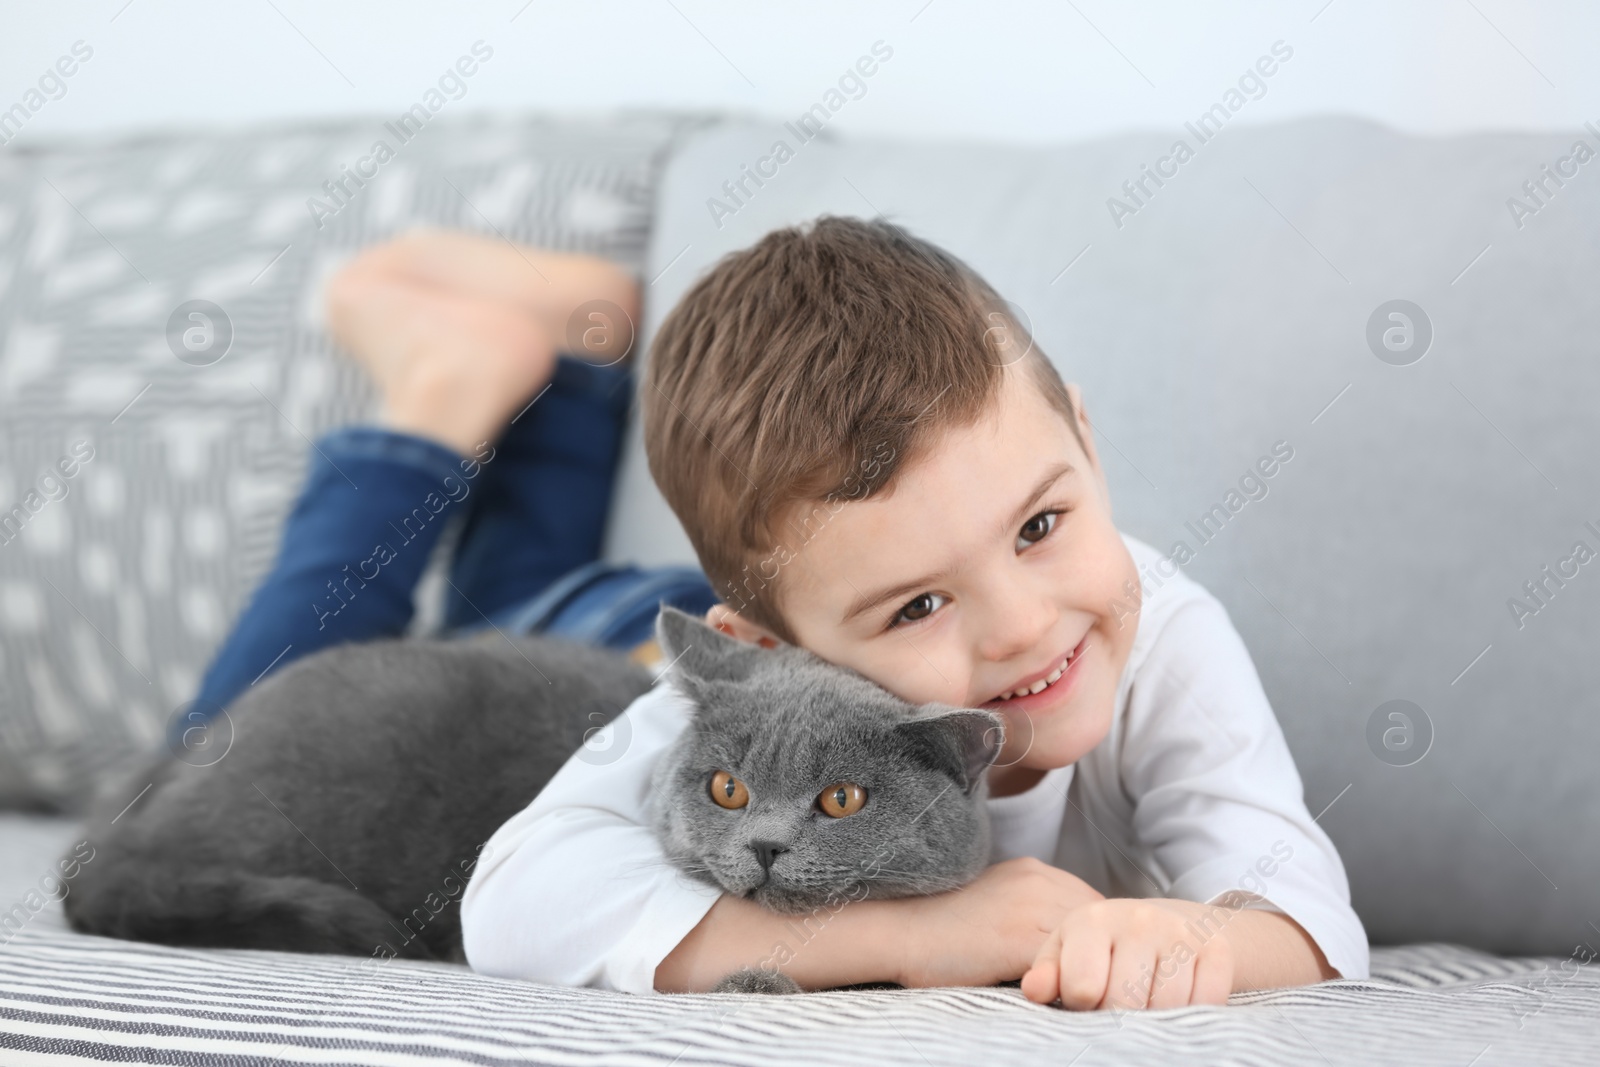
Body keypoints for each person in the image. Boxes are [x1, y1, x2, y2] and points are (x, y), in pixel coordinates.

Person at [202, 217, 1368, 1012]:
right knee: (222, 746)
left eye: (1039, 524)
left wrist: (1199, 939)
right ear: (776, 653)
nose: (1022, 622)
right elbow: (514, 900)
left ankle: (562, 368)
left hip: (662, 613)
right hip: (596, 649)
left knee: (497, 597)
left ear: (1082, 434)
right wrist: (913, 939)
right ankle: (440, 391)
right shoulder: (747, 698)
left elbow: (1306, 919)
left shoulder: (1157, 628)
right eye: (918, 602)